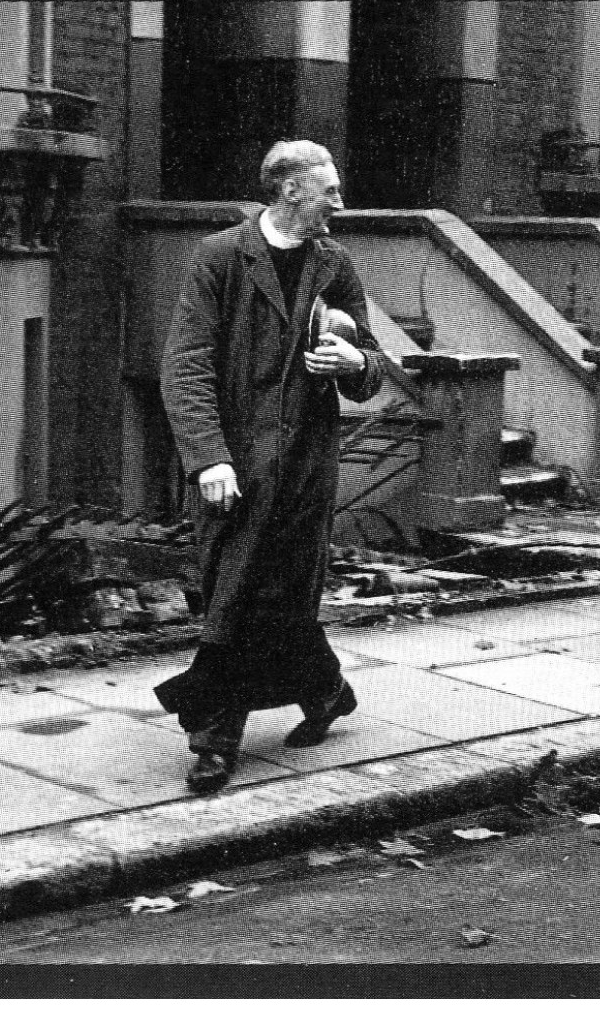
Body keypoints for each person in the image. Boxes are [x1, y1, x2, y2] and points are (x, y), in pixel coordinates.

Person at [157, 140, 384, 793]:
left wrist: (354, 364)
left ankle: (324, 693)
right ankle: (216, 740)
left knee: (282, 598)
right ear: (290, 192)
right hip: (235, 469)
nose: (338, 203)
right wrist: (208, 459)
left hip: (306, 470)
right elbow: (186, 364)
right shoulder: (220, 258)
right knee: (233, 598)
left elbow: (370, 364)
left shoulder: (333, 265)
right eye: (329, 192)